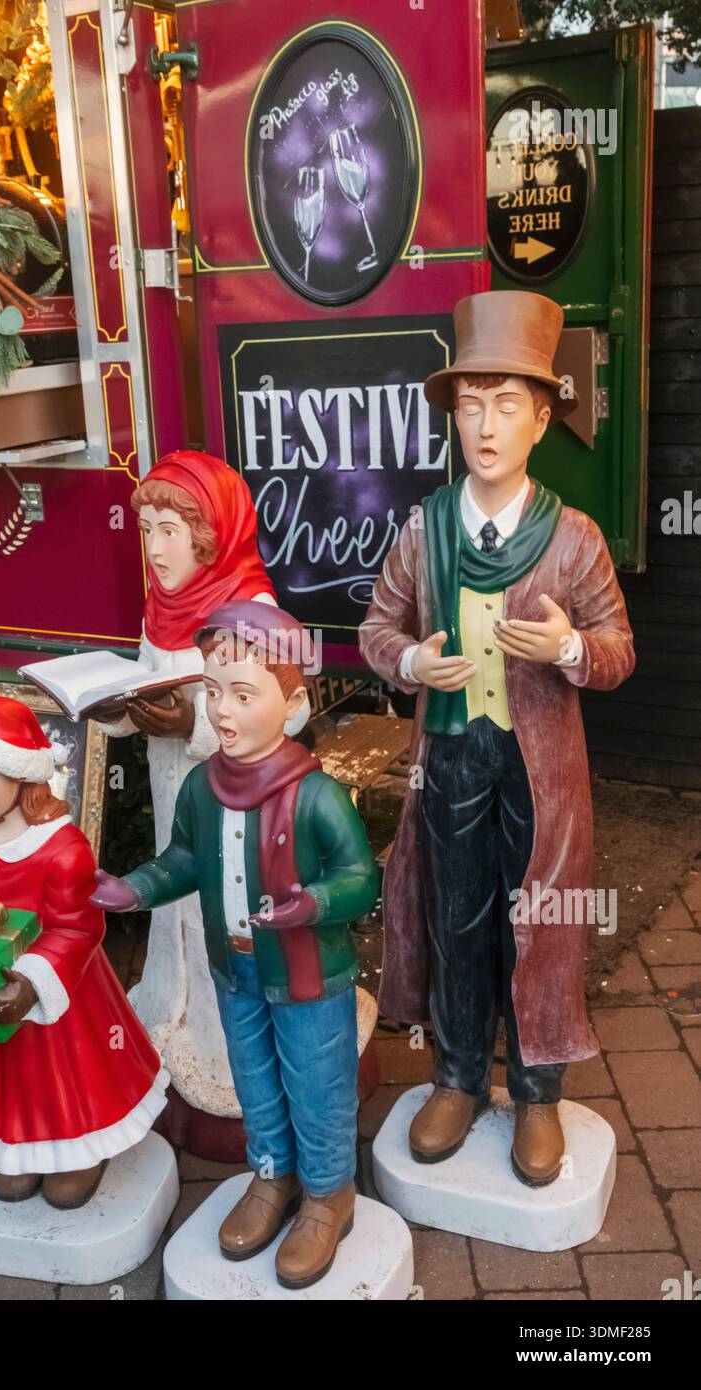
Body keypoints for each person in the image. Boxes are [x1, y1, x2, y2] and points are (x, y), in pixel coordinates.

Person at [359, 290, 635, 1186]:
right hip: (450, 759)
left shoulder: (573, 540)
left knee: (543, 921)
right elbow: (377, 629)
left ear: (542, 418)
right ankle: (455, 1073)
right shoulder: (423, 527)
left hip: (540, 769)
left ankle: (539, 1087)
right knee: (456, 914)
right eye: (470, 403)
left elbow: (620, 652)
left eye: (506, 402)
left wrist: (567, 647)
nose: (485, 423)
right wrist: (408, 667)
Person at [91, 602, 379, 1288]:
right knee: (254, 1080)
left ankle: (328, 1192)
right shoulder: (202, 787)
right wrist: (135, 888)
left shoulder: (316, 798)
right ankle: (272, 1175)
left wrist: (312, 902)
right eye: (213, 691)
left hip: (310, 979)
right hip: (236, 973)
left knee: (317, 1083)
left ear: (294, 706)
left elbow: (360, 880)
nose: (221, 710)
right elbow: (183, 860)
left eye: (244, 694)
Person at [96, 450, 307, 1125]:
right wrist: (117, 711)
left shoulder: (250, 609)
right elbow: (147, 682)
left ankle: (228, 1051)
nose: (155, 549)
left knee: (222, 909)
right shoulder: (162, 604)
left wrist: (197, 722)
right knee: (175, 901)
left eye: (170, 531)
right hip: (171, 794)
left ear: (210, 534)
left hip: (232, 802)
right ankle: (172, 1008)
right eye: (146, 531)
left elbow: (293, 710)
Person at [0, 690, 168, 1208]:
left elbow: (79, 928)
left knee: (64, 1076)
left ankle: (77, 1150)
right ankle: (17, 1150)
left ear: (22, 776)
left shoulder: (60, 848)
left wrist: (31, 981)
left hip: (59, 992)